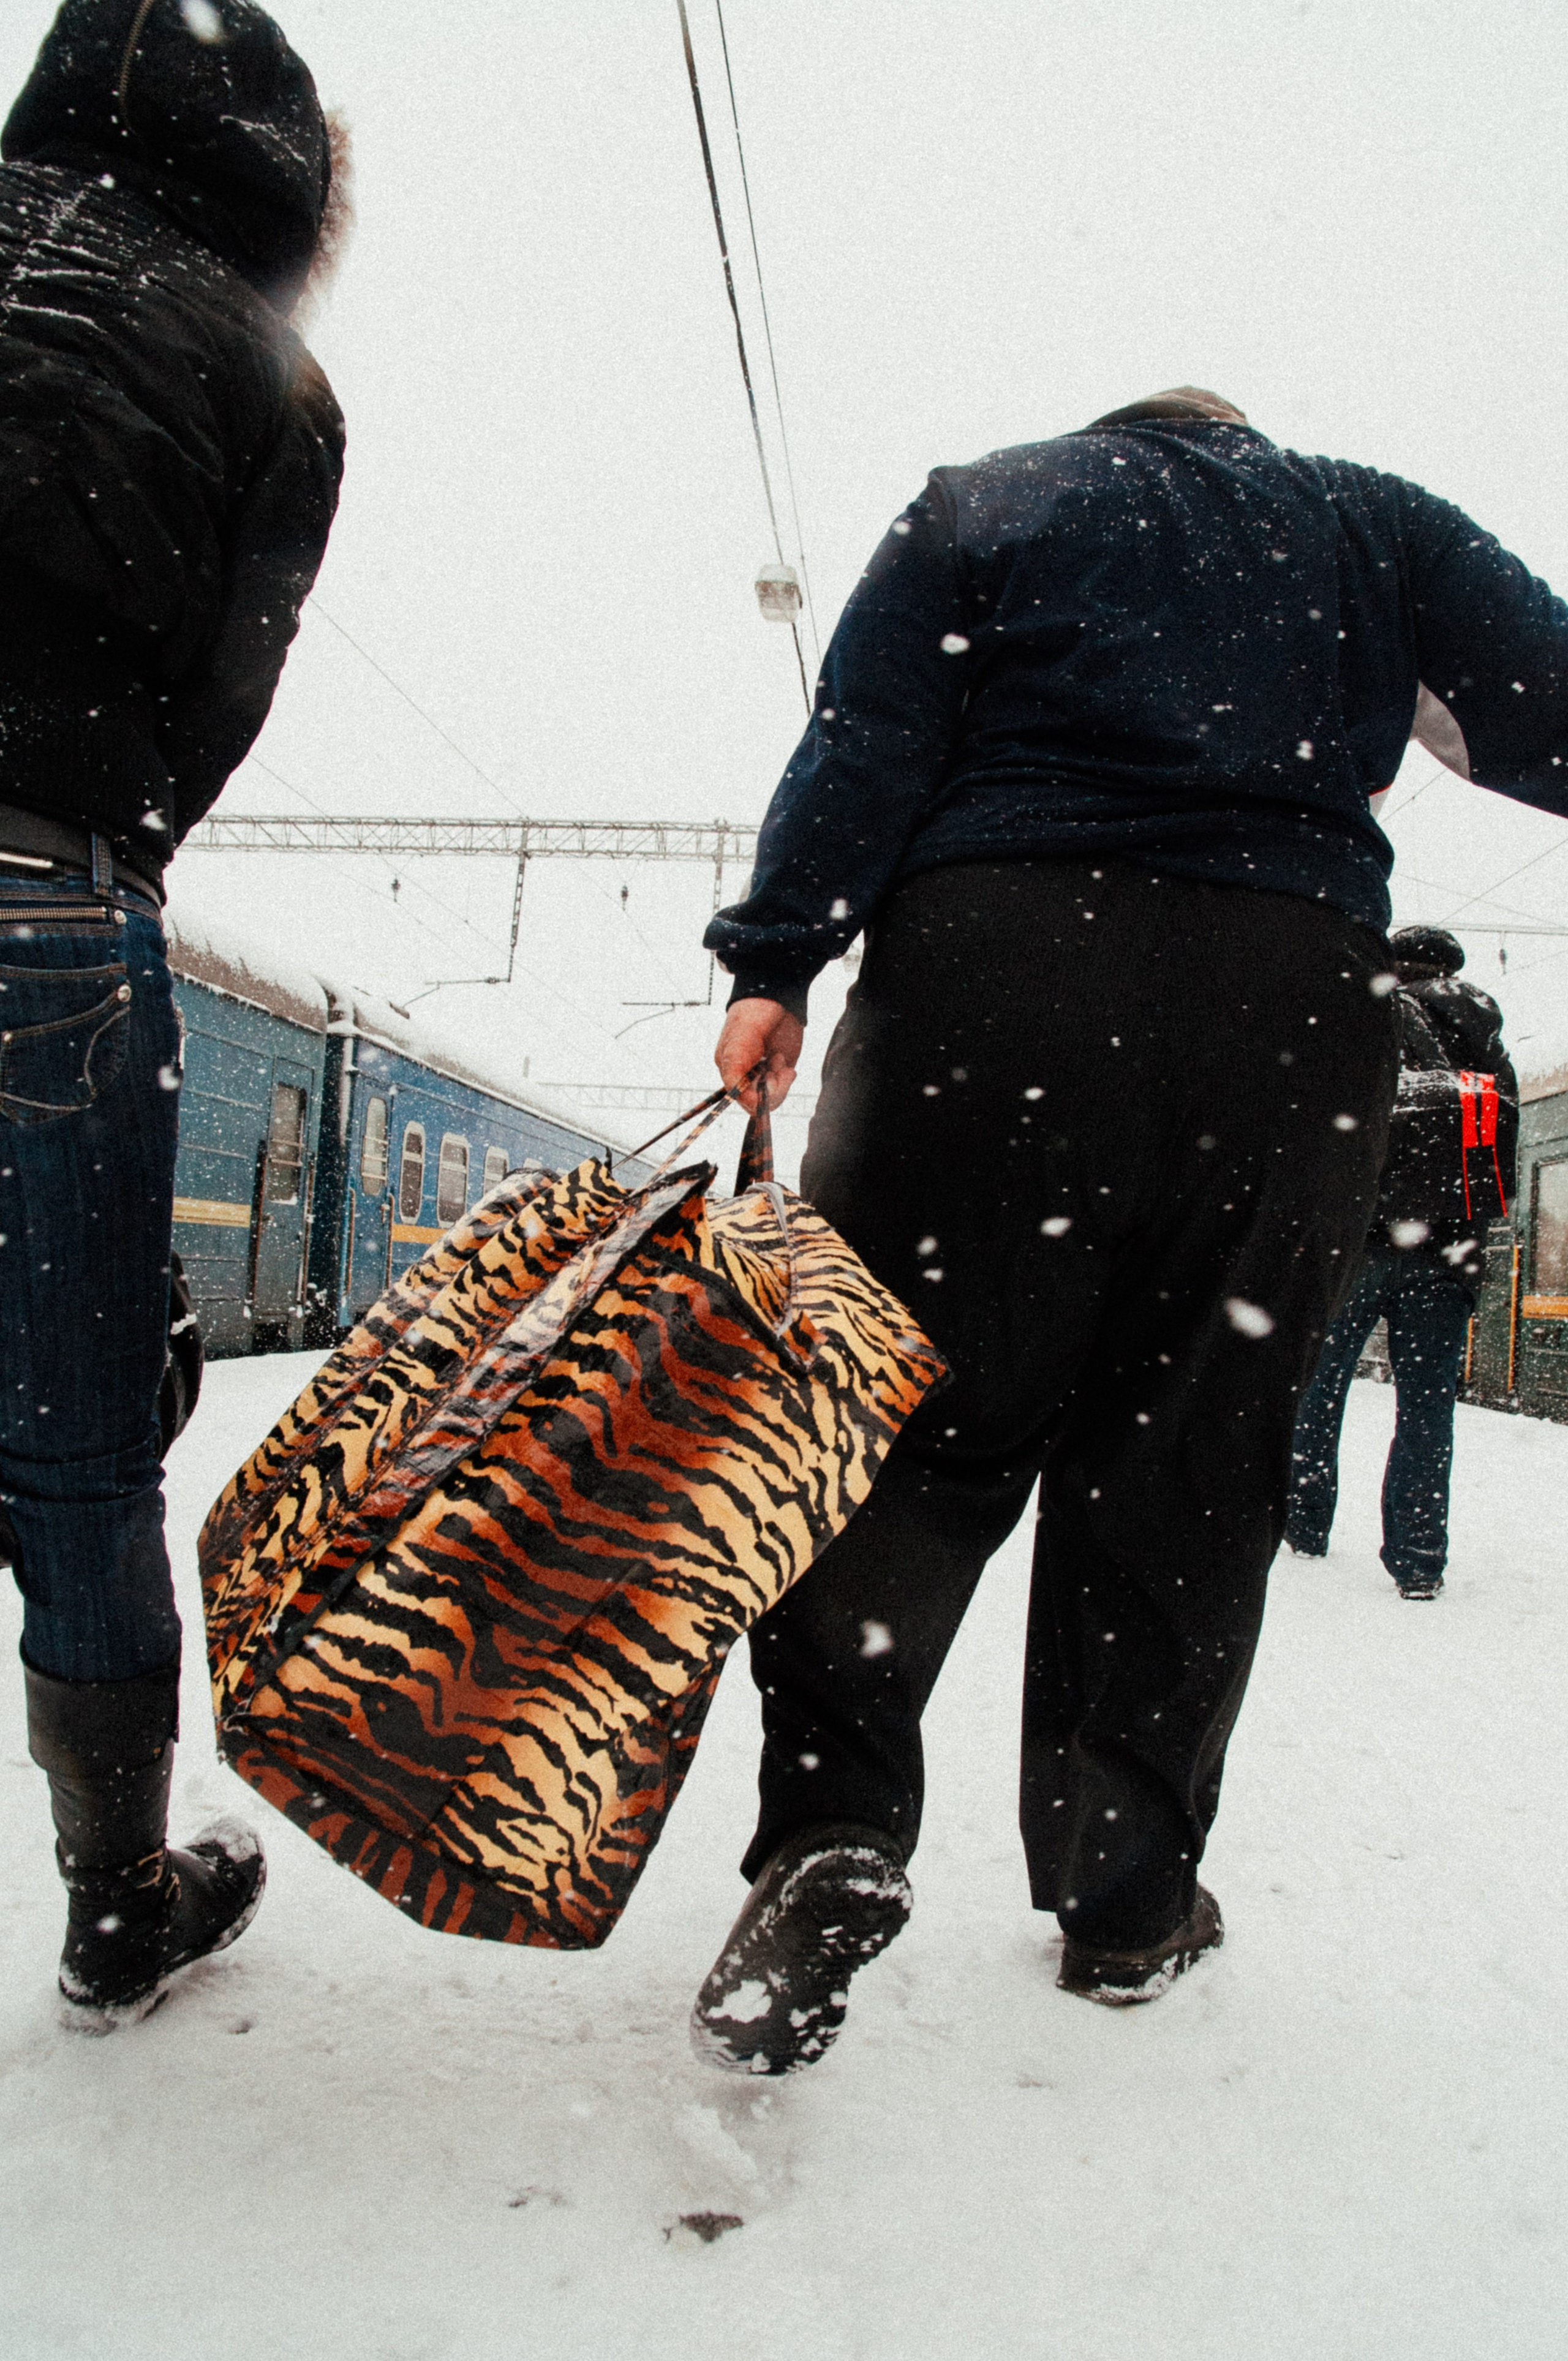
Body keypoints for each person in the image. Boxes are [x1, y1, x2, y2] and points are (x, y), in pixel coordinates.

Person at [691, 386, 1568, 2076]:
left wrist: (774, 958)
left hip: (985, 986)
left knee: (897, 1428)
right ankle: (1126, 1894)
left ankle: (833, 1830)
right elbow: (1547, 699)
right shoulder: (1369, 520)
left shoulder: (992, 502)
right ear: (1240, 445)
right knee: (1187, 1459)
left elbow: (866, 741)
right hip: (1288, 1010)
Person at [0, 0, 346, 2028]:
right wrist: (95, 861)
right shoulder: (265, 371)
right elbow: (220, 704)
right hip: (43, 882)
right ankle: (118, 1888)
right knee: (74, 1448)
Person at [1286, 926, 1517, 1597]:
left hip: (1361, 1243)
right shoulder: (1488, 1046)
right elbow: (1497, 1164)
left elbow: (1331, 1130)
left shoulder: (1377, 1016)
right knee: (1426, 1410)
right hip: (1449, 1251)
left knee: (1319, 1388)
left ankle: (1304, 1528)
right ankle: (1419, 1561)